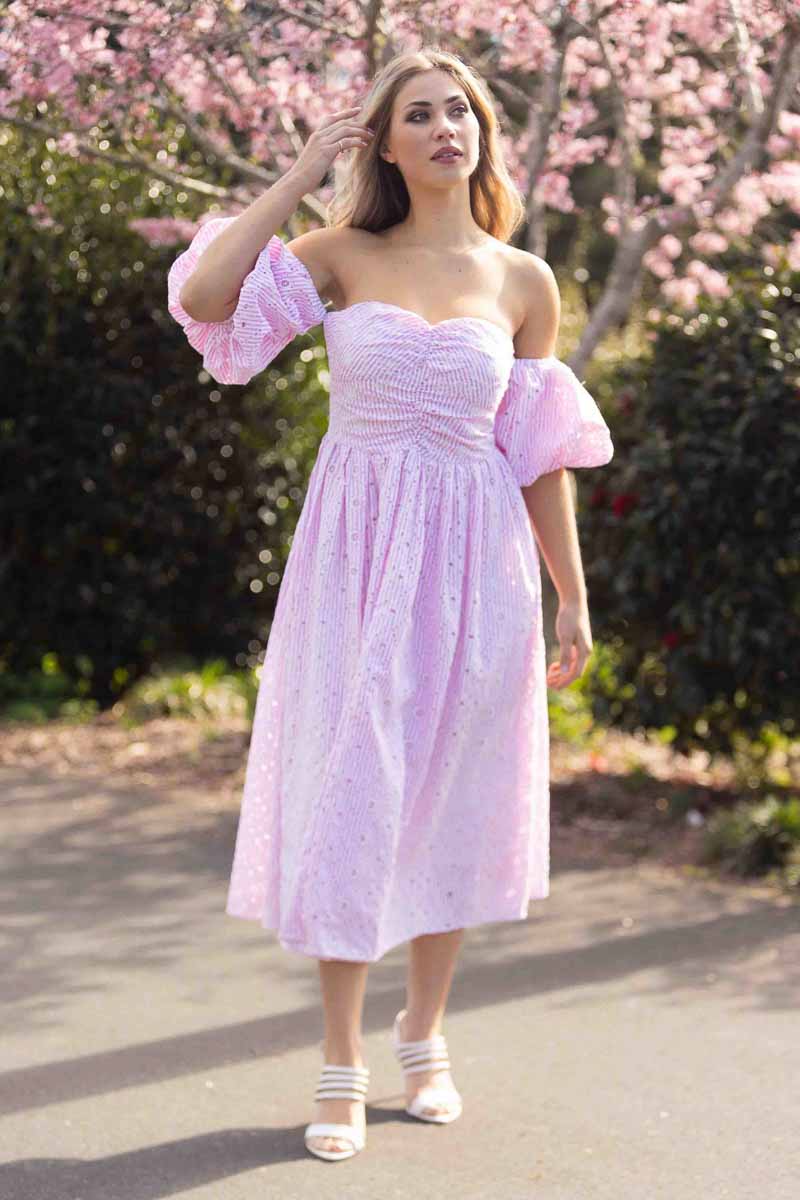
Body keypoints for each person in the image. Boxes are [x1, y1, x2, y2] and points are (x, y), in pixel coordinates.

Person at [167, 46, 614, 1163]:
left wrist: (570, 597)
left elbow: (538, 455)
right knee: (351, 790)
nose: (444, 127)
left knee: (453, 791)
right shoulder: (340, 254)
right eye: (418, 114)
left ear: (481, 133)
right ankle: (340, 1057)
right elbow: (209, 300)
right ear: (385, 143)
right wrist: (294, 180)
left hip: (476, 563)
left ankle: (424, 1031)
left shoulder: (523, 281)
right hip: (355, 559)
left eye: (459, 110)